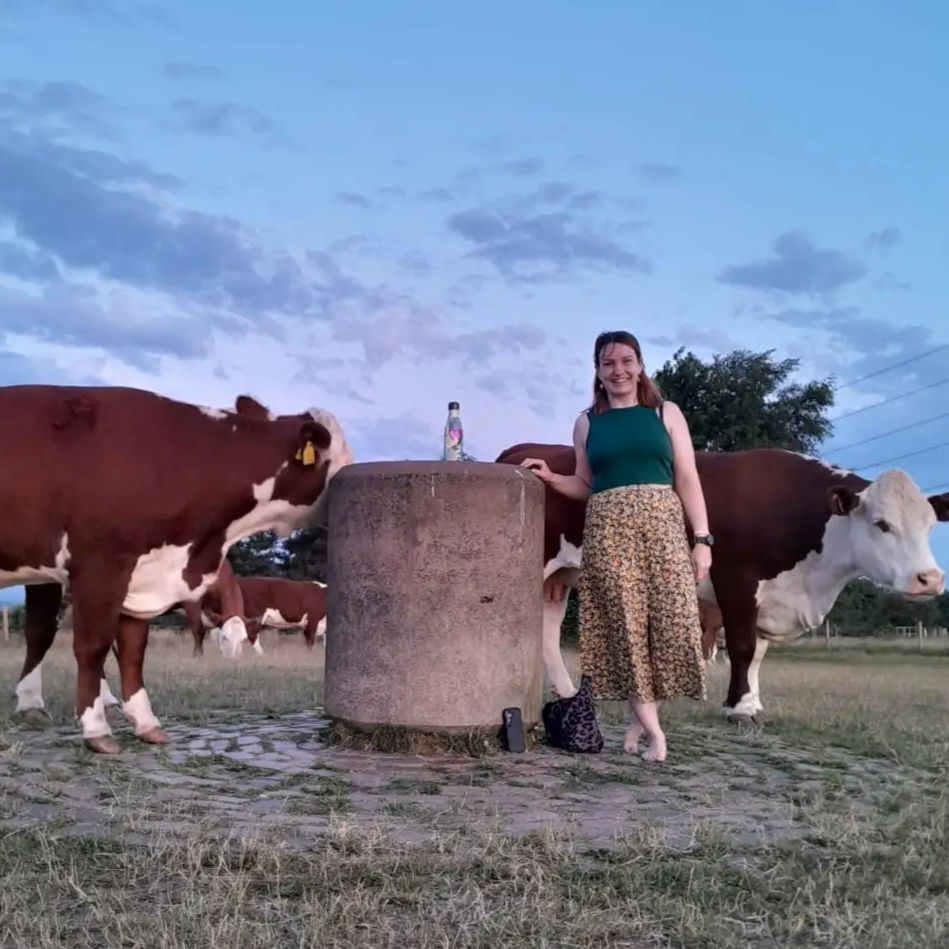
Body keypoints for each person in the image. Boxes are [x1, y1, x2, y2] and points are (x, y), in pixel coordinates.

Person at [520, 330, 711, 763]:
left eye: (626, 361)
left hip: (662, 524)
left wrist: (701, 538)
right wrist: (551, 477)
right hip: (608, 529)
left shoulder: (666, 413)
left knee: (669, 623)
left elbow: (687, 478)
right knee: (624, 626)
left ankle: (639, 719)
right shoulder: (587, 422)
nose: (618, 370)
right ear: (598, 371)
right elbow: (585, 484)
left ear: (640, 365)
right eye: (608, 363)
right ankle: (656, 734)